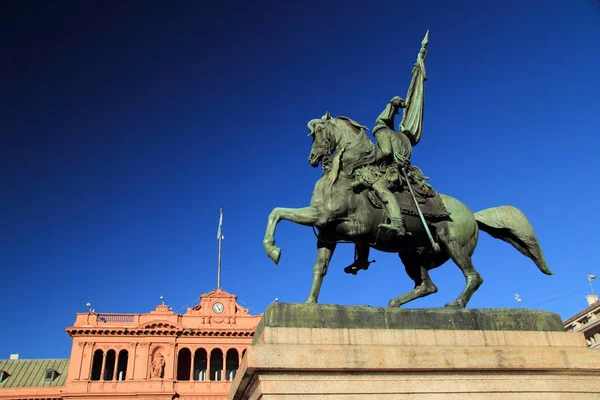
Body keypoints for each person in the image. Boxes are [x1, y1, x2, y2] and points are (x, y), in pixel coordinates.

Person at [371, 95, 413, 236]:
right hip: (405, 170)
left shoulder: (381, 131)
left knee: (379, 187)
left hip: (393, 172)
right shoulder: (400, 137)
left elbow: (386, 151)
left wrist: (373, 160)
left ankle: (397, 223)